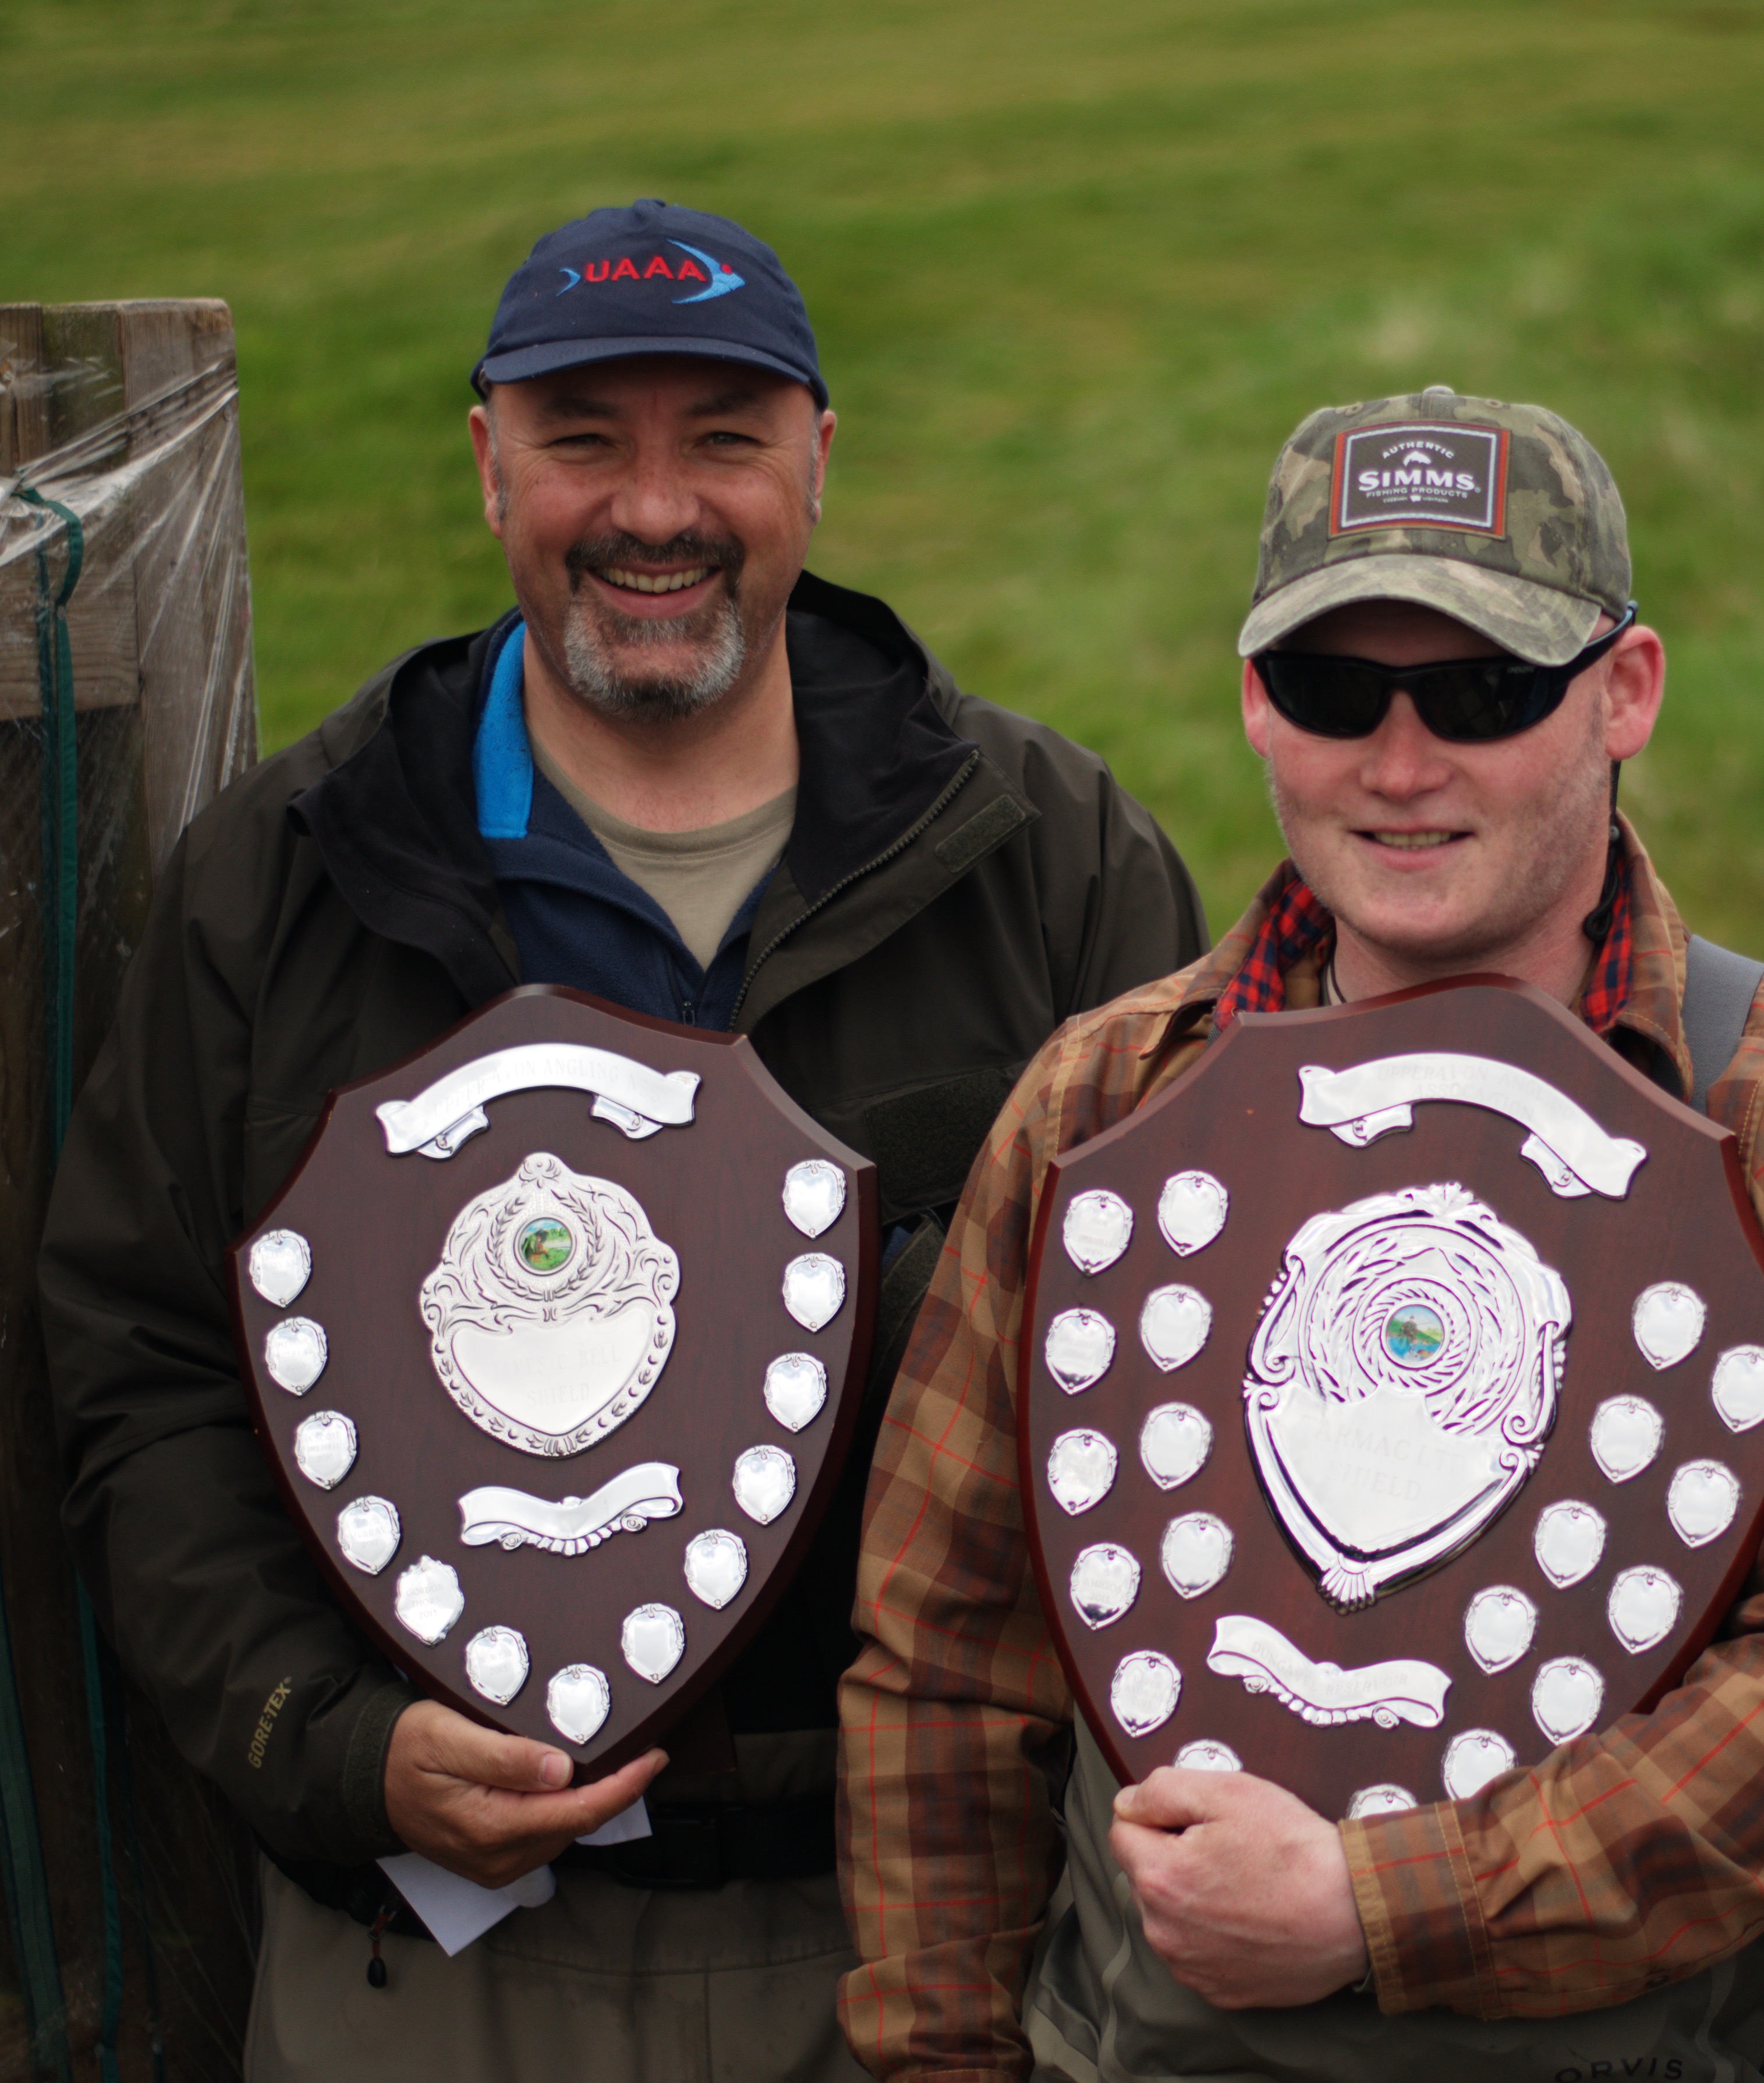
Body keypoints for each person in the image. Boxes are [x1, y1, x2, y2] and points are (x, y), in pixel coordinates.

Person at [40, 200, 1203, 2081]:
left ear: (818, 463)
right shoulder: (291, 879)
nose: (654, 507)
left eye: (722, 438)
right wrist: (334, 1746)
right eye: (586, 436)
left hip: (908, 1943)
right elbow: (141, 1372)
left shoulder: (1048, 863)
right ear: (488, 460)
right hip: (423, 1971)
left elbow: (1172, 1384)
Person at [837, 387, 1764, 2080]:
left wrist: (1380, 1905)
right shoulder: (1103, 1106)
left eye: (1481, 691)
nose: (1399, 765)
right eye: (1331, 688)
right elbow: (948, 1662)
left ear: (1627, 693)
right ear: (1252, 700)